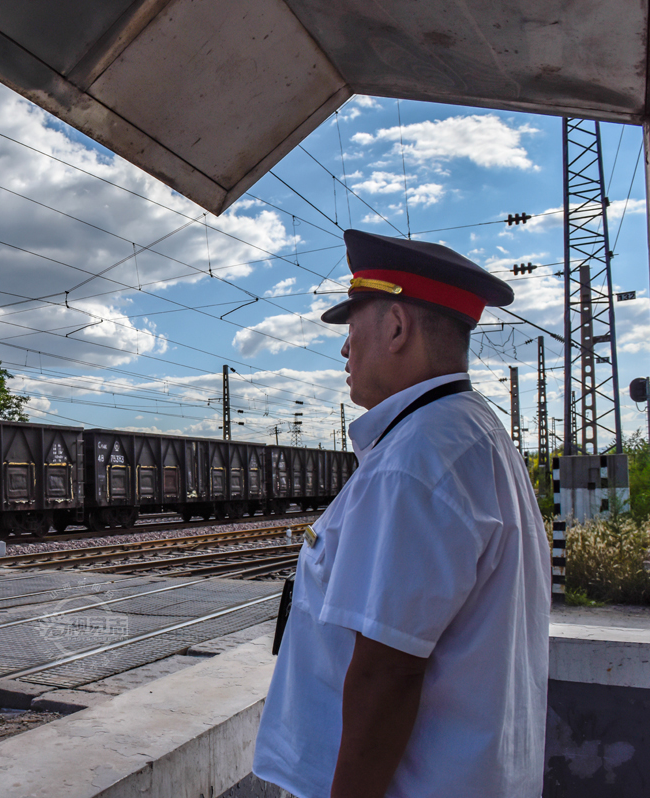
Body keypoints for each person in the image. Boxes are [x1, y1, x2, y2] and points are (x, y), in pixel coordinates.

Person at [252, 230, 550, 798]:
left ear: (395, 326)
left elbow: (387, 673)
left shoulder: (413, 462)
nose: (344, 350)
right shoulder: (469, 432)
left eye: (351, 328)